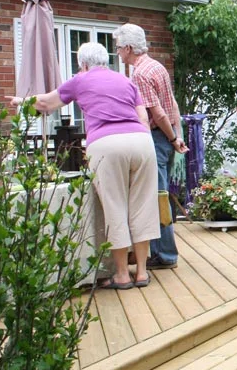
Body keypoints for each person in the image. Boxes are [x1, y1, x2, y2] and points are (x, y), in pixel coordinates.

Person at [12, 42, 159, 290]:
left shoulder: (80, 79)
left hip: (106, 144)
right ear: (106, 60)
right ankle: (142, 273)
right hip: (142, 142)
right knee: (143, 206)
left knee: (115, 206)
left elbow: (46, 103)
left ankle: (122, 275)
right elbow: (143, 117)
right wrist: (139, 138)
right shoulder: (126, 80)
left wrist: (21, 100)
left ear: (83, 63)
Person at [115, 23, 187, 270]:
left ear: (128, 48)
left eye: (118, 47)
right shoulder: (157, 66)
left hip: (157, 139)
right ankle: (160, 252)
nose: (117, 52)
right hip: (166, 138)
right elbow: (172, 104)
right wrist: (177, 135)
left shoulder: (140, 74)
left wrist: (172, 138)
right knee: (160, 195)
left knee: (156, 197)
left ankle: (164, 255)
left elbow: (157, 113)